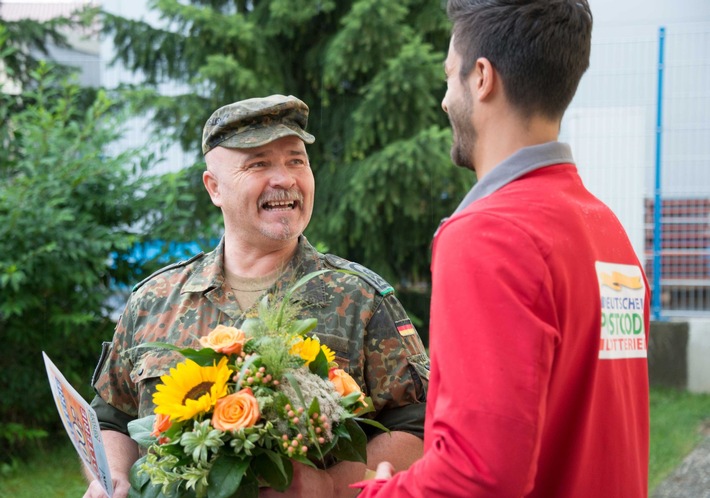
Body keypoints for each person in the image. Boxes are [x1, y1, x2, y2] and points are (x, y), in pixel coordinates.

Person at [352, 1, 650, 497]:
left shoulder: (491, 235)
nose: (445, 100)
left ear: (482, 78)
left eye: (450, 76)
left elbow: (478, 476)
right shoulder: (606, 230)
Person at [82, 94, 429, 498]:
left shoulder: (360, 298)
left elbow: (419, 428)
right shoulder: (154, 300)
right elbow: (112, 418)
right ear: (214, 187)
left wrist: (329, 486)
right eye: (259, 163)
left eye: (296, 160)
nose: (284, 179)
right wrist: (114, 476)